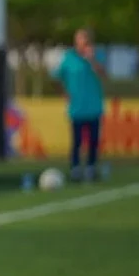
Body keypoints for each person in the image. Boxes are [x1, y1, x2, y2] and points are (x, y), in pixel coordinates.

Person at [52, 28, 106, 181]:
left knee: (94, 140)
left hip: (94, 106)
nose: (84, 43)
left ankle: (91, 167)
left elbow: (104, 75)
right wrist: (64, 93)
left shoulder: (98, 55)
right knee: (77, 141)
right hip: (77, 107)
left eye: (86, 40)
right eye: (81, 39)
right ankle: (75, 168)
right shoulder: (69, 58)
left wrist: (92, 59)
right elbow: (56, 77)